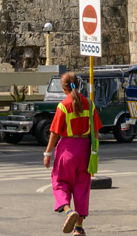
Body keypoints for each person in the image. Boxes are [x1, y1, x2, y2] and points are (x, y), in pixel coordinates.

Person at [44, 71, 101, 235]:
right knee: (82, 188)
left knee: (60, 182)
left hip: (67, 150)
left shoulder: (63, 105)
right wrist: (94, 153)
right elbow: (96, 132)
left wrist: (47, 153)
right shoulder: (89, 104)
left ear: (64, 88)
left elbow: (54, 132)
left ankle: (69, 211)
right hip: (85, 150)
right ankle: (78, 228)